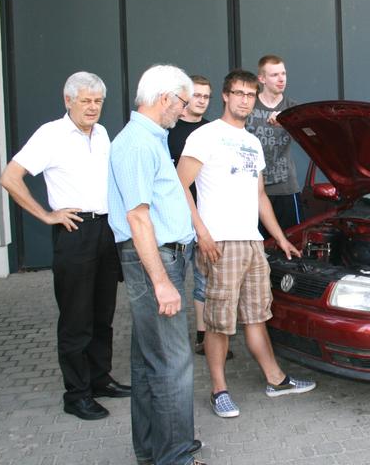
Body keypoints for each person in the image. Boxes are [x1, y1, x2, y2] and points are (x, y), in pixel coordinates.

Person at [178, 69, 316, 420]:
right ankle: (218, 390)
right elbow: (179, 186)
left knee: (257, 317)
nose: (243, 99)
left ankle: (276, 379)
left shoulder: (253, 142)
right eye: (237, 93)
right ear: (225, 96)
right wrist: (202, 234)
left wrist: (281, 239)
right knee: (218, 322)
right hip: (219, 242)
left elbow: (259, 197)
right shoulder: (204, 136)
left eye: (249, 95)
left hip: (253, 242)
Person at [0, 71, 129, 421]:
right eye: (85, 100)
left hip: (105, 232)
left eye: (98, 101)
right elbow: (10, 177)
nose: (92, 107)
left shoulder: (102, 133)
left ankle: (100, 380)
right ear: (67, 100)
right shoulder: (50, 134)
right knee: (76, 318)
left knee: (103, 314)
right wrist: (46, 215)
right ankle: (76, 394)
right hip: (75, 233)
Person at [108, 64, 204, 465]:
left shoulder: (151, 138)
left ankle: (153, 449)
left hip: (164, 256)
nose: (183, 110)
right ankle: (175, 455)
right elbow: (138, 218)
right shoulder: (137, 143)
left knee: (149, 361)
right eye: (181, 102)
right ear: (165, 97)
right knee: (172, 363)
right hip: (155, 261)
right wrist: (162, 281)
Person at [167, 74, 231, 358]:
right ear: (185, 96)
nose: (202, 101)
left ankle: (205, 336)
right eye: (197, 95)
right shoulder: (168, 129)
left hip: (207, 218)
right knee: (174, 280)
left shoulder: (212, 131)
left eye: (207, 97)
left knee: (207, 281)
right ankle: (170, 342)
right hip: (175, 219)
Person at [244, 55, 302, 236]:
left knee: (292, 240)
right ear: (261, 79)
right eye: (274, 75)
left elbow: (309, 140)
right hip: (252, 188)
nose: (281, 79)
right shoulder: (249, 105)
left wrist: (287, 122)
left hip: (285, 187)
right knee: (257, 245)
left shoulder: (293, 108)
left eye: (283, 73)